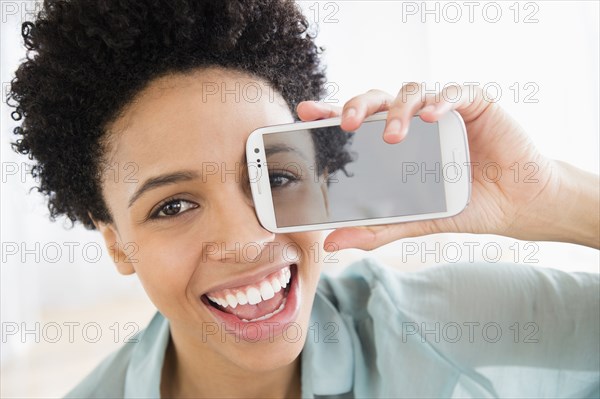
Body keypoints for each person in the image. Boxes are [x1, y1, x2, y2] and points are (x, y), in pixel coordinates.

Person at [8, 0, 599, 398]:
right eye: (173, 206)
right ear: (116, 241)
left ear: (323, 174)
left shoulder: (447, 325)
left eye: (277, 177)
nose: (246, 241)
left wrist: (550, 196)